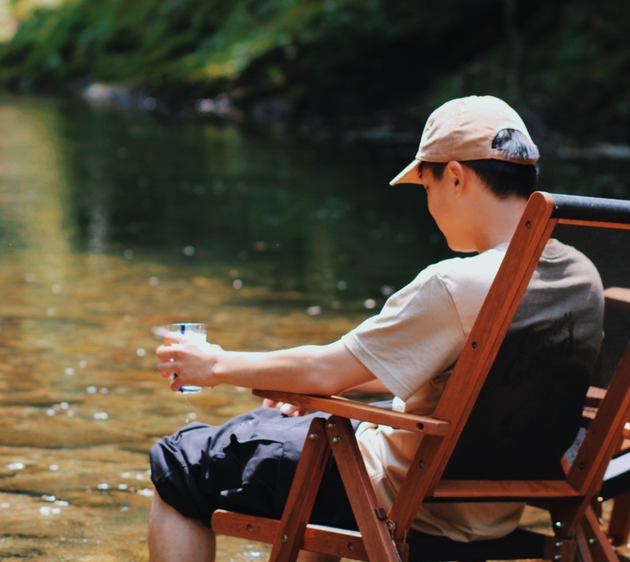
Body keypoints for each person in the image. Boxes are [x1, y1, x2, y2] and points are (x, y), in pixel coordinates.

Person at [148, 96, 605, 562]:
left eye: (425, 187)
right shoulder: (580, 275)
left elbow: (326, 371)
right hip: (496, 505)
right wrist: (318, 384)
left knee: (179, 463)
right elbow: (469, 378)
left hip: (401, 500)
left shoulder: (456, 285)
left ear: (454, 177)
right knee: (309, 435)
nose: (428, 204)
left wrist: (215, 364)